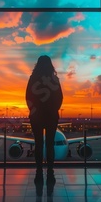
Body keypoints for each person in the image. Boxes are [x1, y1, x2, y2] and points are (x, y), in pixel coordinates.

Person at [26, 55, 63, 194]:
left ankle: (39, 170)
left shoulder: (33, 79)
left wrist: (34, 110)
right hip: (51, 117)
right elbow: (60, 98)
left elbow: (28, 97)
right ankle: (50, 171)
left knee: (38, 143)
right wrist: (53, 110)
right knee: (50, 144)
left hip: (36, 116)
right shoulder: (54, 80)